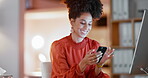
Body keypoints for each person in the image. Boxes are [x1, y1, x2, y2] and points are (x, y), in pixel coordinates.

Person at [50, 0, 115, 78]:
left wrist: (99, 64)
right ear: (72, 22)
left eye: (90, 24)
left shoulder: (94, 45)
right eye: (82, 23)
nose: (86, 28)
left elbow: (92, 76)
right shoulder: (59, 46)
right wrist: (83, 63)